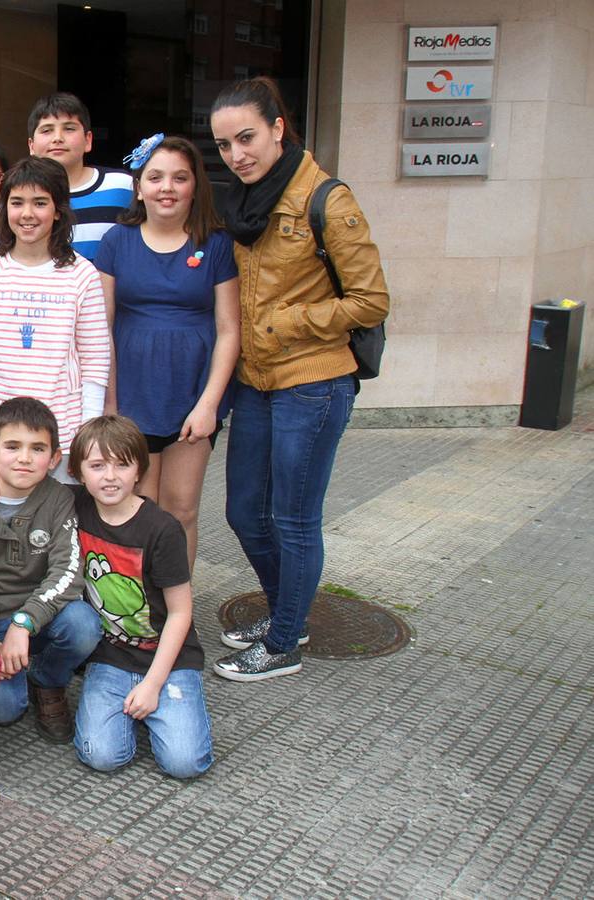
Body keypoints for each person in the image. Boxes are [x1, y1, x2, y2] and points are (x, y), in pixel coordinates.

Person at [209, 77, 389, 682]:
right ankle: (291, 612)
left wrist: (293, 321)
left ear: (278, 128)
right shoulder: (241, 203)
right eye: (226, 144)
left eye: (248, 138)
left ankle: (284, 641)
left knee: (293, 518)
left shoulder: (326, 199)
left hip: (314, 382)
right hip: (255, 383)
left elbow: (371, 300)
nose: (238, 154)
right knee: (242, 512)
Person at [94, 134, 240, 566]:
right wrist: (110, 403)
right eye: (155, 177)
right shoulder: (116, 242)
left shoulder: (215, 245)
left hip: (191, 397)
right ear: (139, 186)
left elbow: (230, 329)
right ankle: (139, 615)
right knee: (139, 508)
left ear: (195, 185)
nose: (167, 187)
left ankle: (178, 608)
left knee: (181, 510)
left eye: (179, 177)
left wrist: (208, 404)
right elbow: (102, 328)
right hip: (133, 398)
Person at [68, 415, 213, 779]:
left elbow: (181, 612)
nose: (110, 476)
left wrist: (152, 684)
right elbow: (24, 485)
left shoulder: (161, 529)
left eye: (122, 464)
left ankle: (158, 704)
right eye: (97, 466)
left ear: (139, 471)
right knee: (100, 755)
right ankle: (138, 711)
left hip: (168, 658)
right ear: (78, 472)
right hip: (110, 655)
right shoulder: (75, 505)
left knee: (185, 764)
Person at [0, 157, 110, 480]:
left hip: (65, 436)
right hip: (4, 436)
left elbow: (95, 361)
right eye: (17, 203)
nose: (27, 214)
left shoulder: (82, 274)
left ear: (57, 210)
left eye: (40, 203)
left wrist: (88, 431)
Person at [0, 398, 93, 742]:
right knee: (4, 712)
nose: (24, 458)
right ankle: (8, 664)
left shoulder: (59, 498)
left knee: (84, 625)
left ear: (54, 458)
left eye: (37, 448)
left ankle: (47, 680)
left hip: (37, 616)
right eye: (13, 447)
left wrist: (25, 621)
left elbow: (68, 570)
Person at [0, 93, 132, 273]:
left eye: (69, 128)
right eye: (47, 130)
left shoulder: (121, 185)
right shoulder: (17, 192)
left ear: (88, 140)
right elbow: (9, 239)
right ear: (31, 145)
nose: (57, 138)